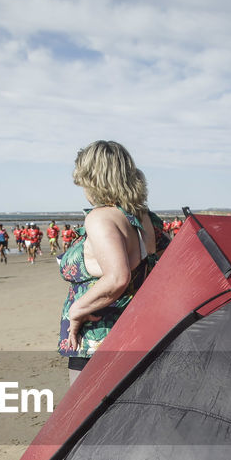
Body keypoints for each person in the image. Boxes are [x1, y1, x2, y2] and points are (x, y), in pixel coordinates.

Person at [58, 140, 168, 383]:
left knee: (83, 414)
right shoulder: (146, 218)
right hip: (139, 329)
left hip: (98, 337)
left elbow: (117, 277)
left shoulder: (101, 218)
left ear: (94, 179)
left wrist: (77, 311)